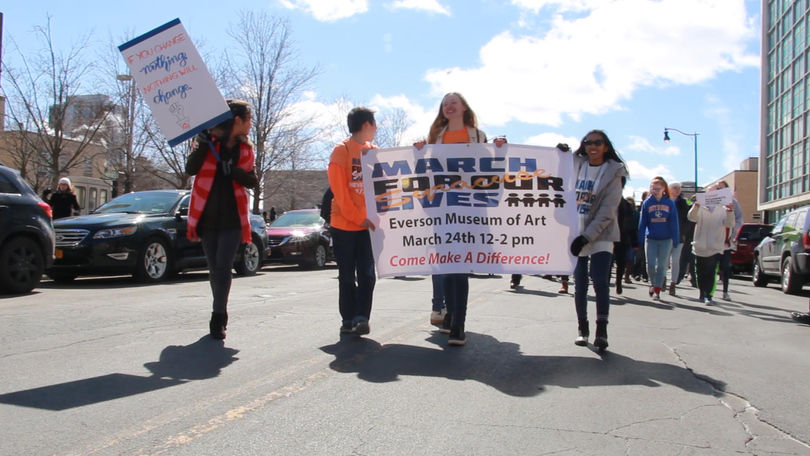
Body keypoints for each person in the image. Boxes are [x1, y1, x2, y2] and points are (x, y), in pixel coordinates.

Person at [415, 92, 506, 346]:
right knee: (447, 265)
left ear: (464, 107)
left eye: (453, 102)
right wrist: (419, 152)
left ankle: (458, 324)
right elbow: (424, 172)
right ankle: (450, 314)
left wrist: (498, 149)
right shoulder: (436, 138)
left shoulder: (478, 136)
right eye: (445, 104)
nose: (448, 106)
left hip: (469, 209)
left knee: (461, 265)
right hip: (442, 208)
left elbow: (489, 170)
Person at [185, 99, 258, 340]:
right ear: (237, 120)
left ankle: (218, 317)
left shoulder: (246, 150)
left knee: (224, 266)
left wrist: (234, 171)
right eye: (248, 119)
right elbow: (190, 169)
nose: (250, 124)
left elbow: (253, 181)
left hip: (232, 218)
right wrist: (203, 145)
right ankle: (219, 309)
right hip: (207, 216)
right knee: (214, 267)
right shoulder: (207, 142)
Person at [569, 130, 628, 351]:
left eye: (598, 142)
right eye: (588, 142)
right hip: (576, 231)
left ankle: (601, 330)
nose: (592, 146)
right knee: (580, 284)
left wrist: (587, 236)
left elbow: (607, 211)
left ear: (605, 146)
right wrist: (559, 153)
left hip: (600, 234)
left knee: (600, 282)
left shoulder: (613, 172)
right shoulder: (575, 164)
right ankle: (581, 329)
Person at [328, 107, 378, 336]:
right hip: (344, 226)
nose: (376, 129)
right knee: (347, 275)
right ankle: (347, 318)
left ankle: (361, 317)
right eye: (374, 124)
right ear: (367, 124)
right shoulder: (342, 150)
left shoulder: (375, 152)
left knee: (367, 274)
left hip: (369, 228)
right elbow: (339, 192)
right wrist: (360, 218)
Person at [687, 185, 735, 305]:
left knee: (711, 270)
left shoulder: (723, 208)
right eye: (709, 193)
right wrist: (695, 206)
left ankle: (709, 295)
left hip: (715, 245)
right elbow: (691, 218)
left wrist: (730, 211)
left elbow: (730, 224)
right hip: (700, 245)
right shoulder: (700, 207)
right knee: (701, 271)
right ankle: (702, 292)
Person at [638, 177, 679, 302]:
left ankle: (657, 290)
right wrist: (639, 239)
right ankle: (653, 283)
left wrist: (675, 238)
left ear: (663, 189)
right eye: (652, 188)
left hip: (666, 239)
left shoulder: (670, 203)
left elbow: (674, 222)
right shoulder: (647, 203)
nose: (655, 191)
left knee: (661, 266)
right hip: (651, 238)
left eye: (657, 188)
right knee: (650, 265)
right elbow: (643, 222)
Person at [716, 180, 743, 301]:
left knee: (725, 267)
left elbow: (739, 219)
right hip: (714, 240)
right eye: (718, 188)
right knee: (711, 267)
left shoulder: (733, 203)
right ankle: (707, 293)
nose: (720, 191)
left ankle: (725, 291)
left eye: (722, 188)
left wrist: (733, 230)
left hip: (726, 241)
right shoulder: (713, 202)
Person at [667, 181, 691, 297]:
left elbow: (688, 220)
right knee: (663, 261)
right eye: (675, 188)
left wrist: (682, 232)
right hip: (665, 236)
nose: (677, 190)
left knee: (675, 261)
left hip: (679, 236)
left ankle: (672, 284)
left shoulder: (683, 203)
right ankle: (661, 279)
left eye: (679, 188)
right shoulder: (665, 201)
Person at [614, 195, 636, 295]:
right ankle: (606, 282)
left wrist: (634, 240)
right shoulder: (608, 200)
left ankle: (618, 282)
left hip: (622, 238)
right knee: (608, 263)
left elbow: (631, 225)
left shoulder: (626, 205)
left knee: (621, 263)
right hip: (608, 238)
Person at [623, 196, 639, 284]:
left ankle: (627, 276)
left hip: (632, 237)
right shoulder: (620, 212)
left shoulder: (636, 213)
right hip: (622, 237)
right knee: (622, 259)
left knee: (631, 258)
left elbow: (638, 226)